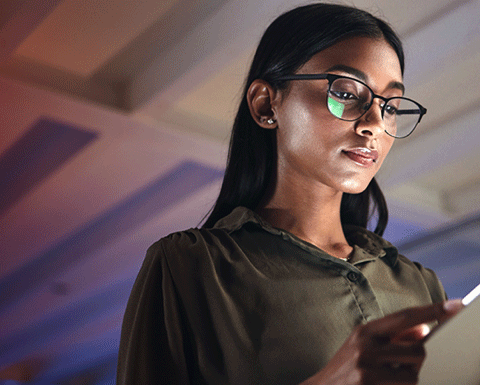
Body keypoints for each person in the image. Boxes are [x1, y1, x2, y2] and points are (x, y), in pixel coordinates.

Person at [117, 3, 464, 384]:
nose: (375, 125)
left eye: (391, 105)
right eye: (346, 93)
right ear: (267, 104)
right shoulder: (191, 267)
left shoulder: (420, 284)